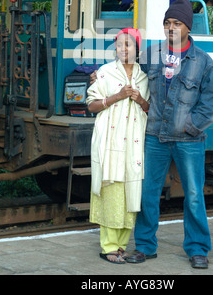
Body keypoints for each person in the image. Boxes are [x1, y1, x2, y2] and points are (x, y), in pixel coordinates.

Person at [125, 0, 213, 269]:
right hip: (155, 135)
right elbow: (130, 74)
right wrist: (102, 77)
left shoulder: (202, 61)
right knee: (148, 192)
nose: (171, 27)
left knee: (192, 194)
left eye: (177, 23)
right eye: (167, 22)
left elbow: (210, 104)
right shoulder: (152, 55)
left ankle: (197, 248)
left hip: (188, 139)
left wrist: (191, 127)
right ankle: (144, 246)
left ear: (188, 27)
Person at [86, 28, 150, 264]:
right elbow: (91, 105)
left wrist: (139, 99)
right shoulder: (105, 73)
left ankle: (121, 245)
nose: (124, 48)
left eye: (129, 44)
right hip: (110, 141)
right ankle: (108, 246)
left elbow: (149, 108)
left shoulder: (144, 77)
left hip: (134, 142)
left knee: (130, 193)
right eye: (120, 44)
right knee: (111, 191)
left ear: (137, 49)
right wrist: (118, 95)